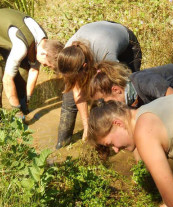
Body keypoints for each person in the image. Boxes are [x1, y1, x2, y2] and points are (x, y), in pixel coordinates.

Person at [56, 20, 142, 149]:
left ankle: (134, 138)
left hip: (126, 46)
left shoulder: (106, 55)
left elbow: (120, 88)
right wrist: (86, 126)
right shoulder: (68, 55)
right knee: (68, 101)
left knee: (124, 96)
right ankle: (61, 146)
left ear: (84, 67)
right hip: (95, 36)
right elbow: (77, 92)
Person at [0, 8, 64, 119]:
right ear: (44, 54)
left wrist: (27, 99)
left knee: (23, 70)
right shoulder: (21, 47)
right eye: (46, 65)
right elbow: (7, 80)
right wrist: (16, 111)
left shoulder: (43, 42)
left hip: (4, 31)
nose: (44, 66)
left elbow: (34, 70)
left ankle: (22, 106)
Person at [89, 61, 173, 108]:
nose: (105, 106)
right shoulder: (131, 96)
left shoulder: (144, 82)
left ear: (116, 90)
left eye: (104, 101)